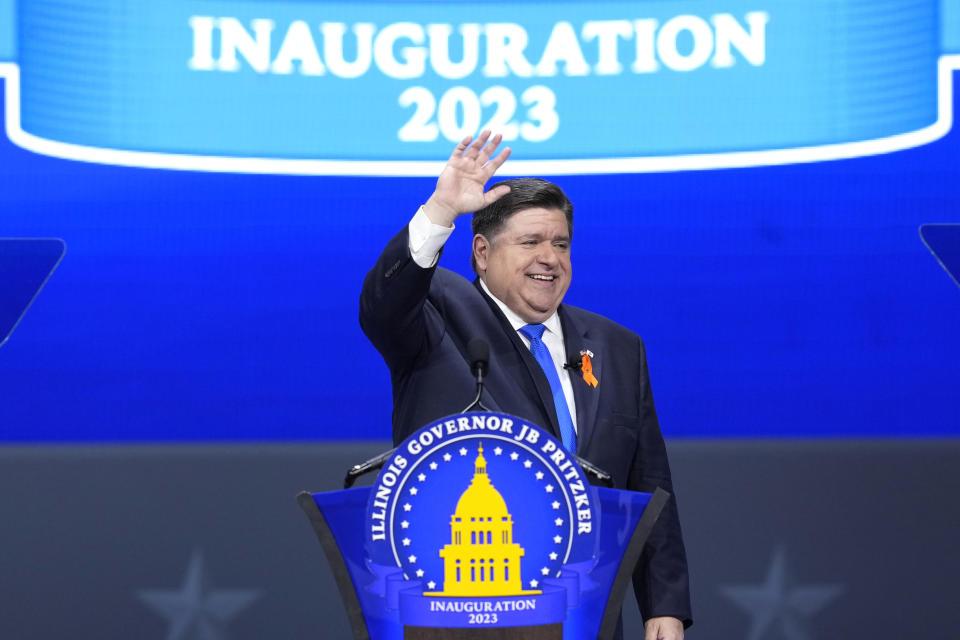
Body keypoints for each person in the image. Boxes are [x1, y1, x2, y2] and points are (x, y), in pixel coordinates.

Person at [360, 130, 692, 639]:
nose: (550, 257)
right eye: (530, 241)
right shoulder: (439, 319)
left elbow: (648, 483)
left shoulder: (617, 346)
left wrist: (663, 607)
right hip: (464, 616)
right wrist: (442, 208)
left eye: (560, 243)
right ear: (481, 253)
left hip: (585, 616)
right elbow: (383, 306)